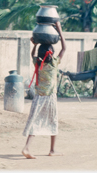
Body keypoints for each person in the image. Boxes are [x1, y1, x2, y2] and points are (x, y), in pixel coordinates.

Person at [22, 21, 66, 159]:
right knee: (53, 121)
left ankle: (27, 147)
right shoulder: (53, 64)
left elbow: (32, 55)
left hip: (38, 98)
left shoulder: (38, 63)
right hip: (50, 97)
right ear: (51, 54)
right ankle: (52, 150)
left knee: (35, 121)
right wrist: (59, 29)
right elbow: (64, 48)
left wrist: (34, 45)